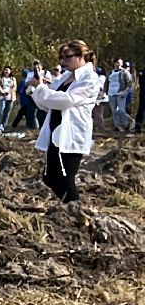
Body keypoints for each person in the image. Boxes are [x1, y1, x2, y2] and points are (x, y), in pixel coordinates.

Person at [32, 40, 100, 205]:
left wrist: (41, 89)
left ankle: (77, 213)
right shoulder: (65, 76)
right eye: (61, 57)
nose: (63, 61)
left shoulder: (90, 78)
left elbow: (67, 100)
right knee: (49, 177)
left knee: (65, 178)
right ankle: (70, 209)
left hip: (72, 133)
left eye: (67, 57)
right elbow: (48, 103)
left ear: (81, 56)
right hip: (56, 130)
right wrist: (37, 91)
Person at [107, 58, 132, 130]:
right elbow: (106, 83)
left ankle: (125, 124)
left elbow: (129, 83)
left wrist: (125, 91)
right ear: (114, 63)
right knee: (114, 110)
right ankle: (117, 125)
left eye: (120, 62)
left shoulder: (124, 72)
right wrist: (103, 92)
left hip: (120, 92)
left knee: (121, 110)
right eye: (118, 62)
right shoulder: (110, 72)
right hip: (111, 93)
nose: (119, 64)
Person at [0, 66, 16, 130]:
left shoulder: (13, 79)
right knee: (0, 111)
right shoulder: (0, 78)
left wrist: (9, 92)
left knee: (7, 112)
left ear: (10, 71)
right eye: (5, 70)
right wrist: (3, 92)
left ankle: (4, 125)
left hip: (10, 97)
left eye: (7, 70)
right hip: (2, 97)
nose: (6, 71)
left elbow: (15, 87)